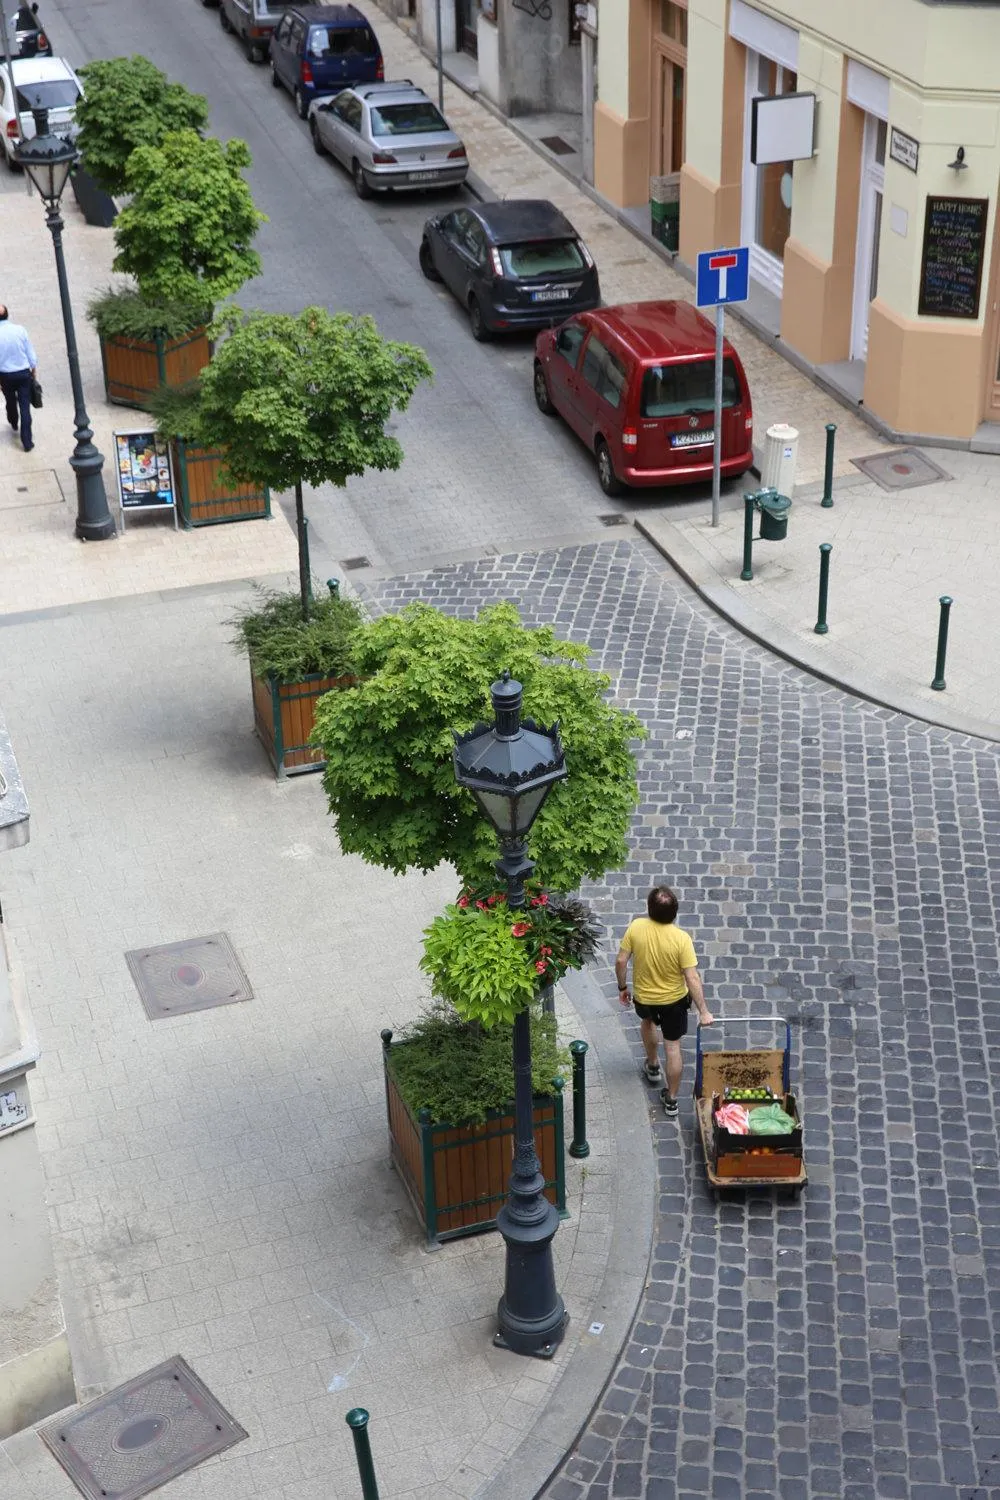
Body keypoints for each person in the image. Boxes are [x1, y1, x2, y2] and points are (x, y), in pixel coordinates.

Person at [615, 884, 713, 1118]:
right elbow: (692, 977)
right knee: (673, 1046)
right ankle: (671, 1099)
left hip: (645, 998)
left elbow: (621, 961)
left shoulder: (636, 927)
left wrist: (622, 987)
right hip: (674, 1002)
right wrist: (704, 1011)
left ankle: (652, 1065)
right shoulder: (681, 939)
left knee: (647, 1023)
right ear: (675, 912)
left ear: (649, 908)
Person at [0, 305, 38, 453]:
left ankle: (13, 421)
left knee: (10, 400)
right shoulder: (20, 330)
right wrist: (33, 370)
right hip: (23, 374)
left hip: (4, 375)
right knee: (25, 407)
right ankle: (27, 442)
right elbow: (30, 353)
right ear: (8, 315)